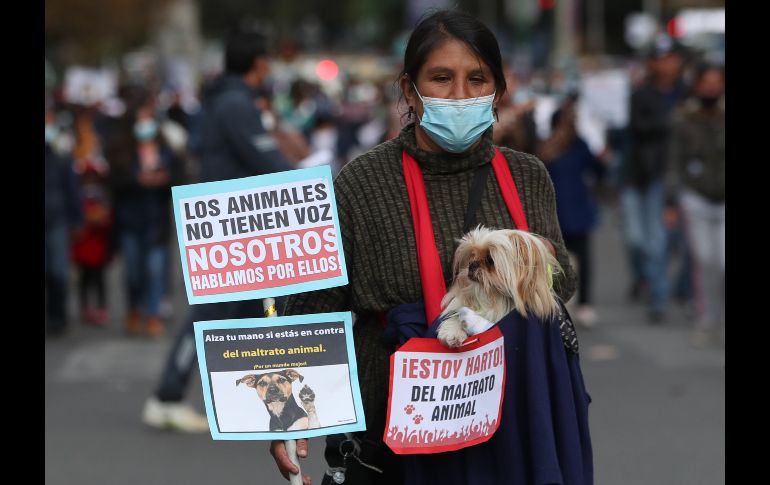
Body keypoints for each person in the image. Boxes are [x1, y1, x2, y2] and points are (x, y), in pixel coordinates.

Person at [270, 10, 590, 485]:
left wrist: (524, 264)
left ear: (498, 92)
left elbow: (560, 281)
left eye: (477, 79)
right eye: (441, 78)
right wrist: (281, 418)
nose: (460, 95)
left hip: (512, 433)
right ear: (408, 91)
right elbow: (313, 308)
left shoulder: (526, 176)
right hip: (392, 446)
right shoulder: (363, 182)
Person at [141, 29, 295, 432]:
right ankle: (166, 397)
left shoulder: (217, 100)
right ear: (258, 63)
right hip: (231, 233)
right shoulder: (235, 104)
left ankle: (242, 401)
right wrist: (314, 180)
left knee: (248, 316)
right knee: (209, 318)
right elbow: (267, 160)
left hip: (229, 226)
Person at [106, 90, 183, 338]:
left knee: (155, 268)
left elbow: (179, 177)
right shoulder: (120, 151)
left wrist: (164, 178)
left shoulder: (165, 148)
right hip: (130, 221)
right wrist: (138, 180)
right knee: (134, 272)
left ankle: (153, 314)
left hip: (156, 221)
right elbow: (114, 182)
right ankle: (134, 308)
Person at [622, 33, 687, 322]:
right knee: (640, 240)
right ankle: (646, 278)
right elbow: (638, 129)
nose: (666, 65)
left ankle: (660, 295)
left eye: (670, 58)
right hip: (642, 175)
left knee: (668, 241)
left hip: (678, 176)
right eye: (660, 59)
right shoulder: (641, 95)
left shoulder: (688, 94)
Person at [666, 63, 725, 347]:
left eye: (717, 82)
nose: (712, 88)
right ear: (697, 85)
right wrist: (672, 201)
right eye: (707, 82)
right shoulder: (683, 118)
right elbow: (674, 160)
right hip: (696, 197)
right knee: (704, 259)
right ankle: (707, 319)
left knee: (722, 260)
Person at [538, 98, 606, 328]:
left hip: (578, 213)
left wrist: (603, 159)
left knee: (584, 261)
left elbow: (598, 171)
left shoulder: (581, 145)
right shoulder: (545, 150)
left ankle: (585, 304)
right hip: (553, 216)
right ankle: (554, 305)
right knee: (553, 263)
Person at [45, 105, 83, 338]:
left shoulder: (60, 151)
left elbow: (71, 186)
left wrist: (76, 218)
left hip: (57, 219)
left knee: (59, 271)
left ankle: (58, 317)